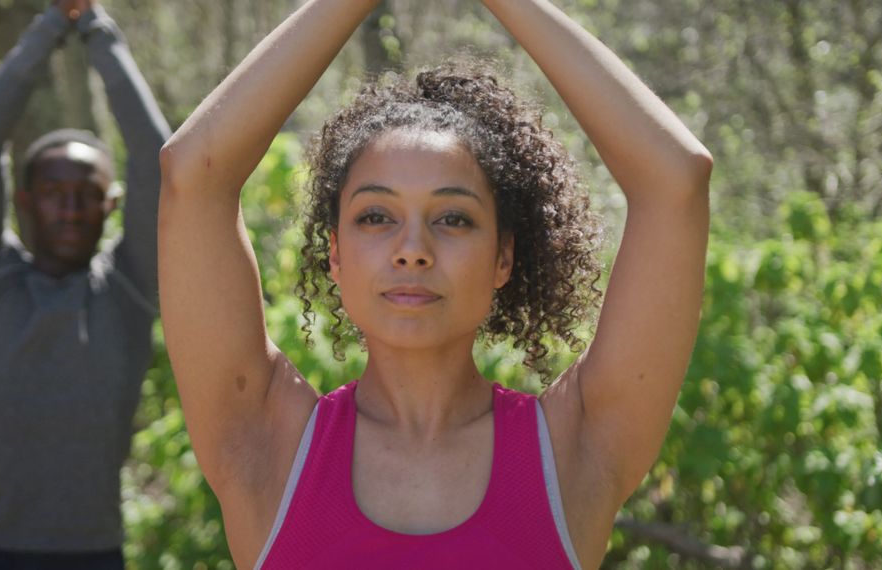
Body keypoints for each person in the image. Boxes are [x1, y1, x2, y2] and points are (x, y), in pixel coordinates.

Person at [159, 0, 711, 568]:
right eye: (376, 216)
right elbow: (192, 170)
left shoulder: (574, 451)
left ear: (503, 258)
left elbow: (678, 179)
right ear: (336, 258)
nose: (413, 251)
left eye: (453, 219)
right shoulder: (268, 445)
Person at [0, 0, 169, 568]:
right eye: (53, 193)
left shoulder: (125, 292)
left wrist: (99, 33)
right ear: (24, 202)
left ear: (112, 206)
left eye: (87, 196)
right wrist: (49, 28)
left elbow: (155, 156)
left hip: (92, 556)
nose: (71, 210)